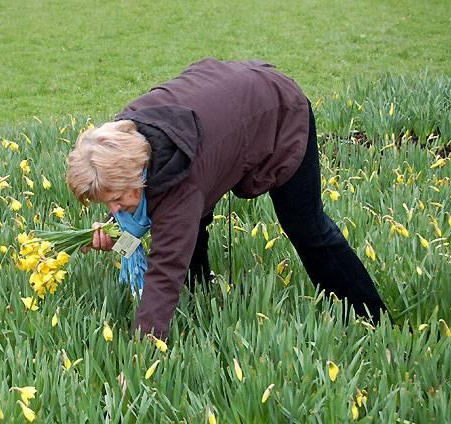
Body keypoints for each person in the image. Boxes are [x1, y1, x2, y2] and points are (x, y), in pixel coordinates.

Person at [65, 58, 390, 339]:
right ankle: (200, 290)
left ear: (138, 175)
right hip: (226, 112)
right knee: (190, 218)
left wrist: (143, 351)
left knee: (307, 228)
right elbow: (143, 210)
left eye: (117, 199)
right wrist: (114, 230)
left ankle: (371, 320)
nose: (113, 209)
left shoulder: (179, 183)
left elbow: (165, 267)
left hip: (277, 110)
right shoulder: (124, 137)